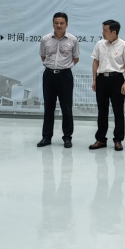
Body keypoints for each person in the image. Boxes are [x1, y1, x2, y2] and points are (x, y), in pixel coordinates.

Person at [38, 12, 80, 149]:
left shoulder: (73, 40)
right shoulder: (45, 39)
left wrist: (65, 67)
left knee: (66, 108)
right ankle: (46, 137)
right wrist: (52, 66)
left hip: (65, 76)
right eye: (56, 23)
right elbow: (43, 56)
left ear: (66, 24)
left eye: (62, 23)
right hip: (49, 75)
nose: (59, 25)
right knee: (48, 107)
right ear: (53, 24)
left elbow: (76, 58)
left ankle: (67, 137)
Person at [90, 19, 125, 151]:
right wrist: (94, 80)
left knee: (118, 111)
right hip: (101, 79)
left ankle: (118, 140)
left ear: (114, 32)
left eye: (105, 30)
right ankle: (100, 139)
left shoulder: (124, 45)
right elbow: (95, 62)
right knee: (102, 110)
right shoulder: (99, 44)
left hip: (117, 80)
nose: (102, 32)